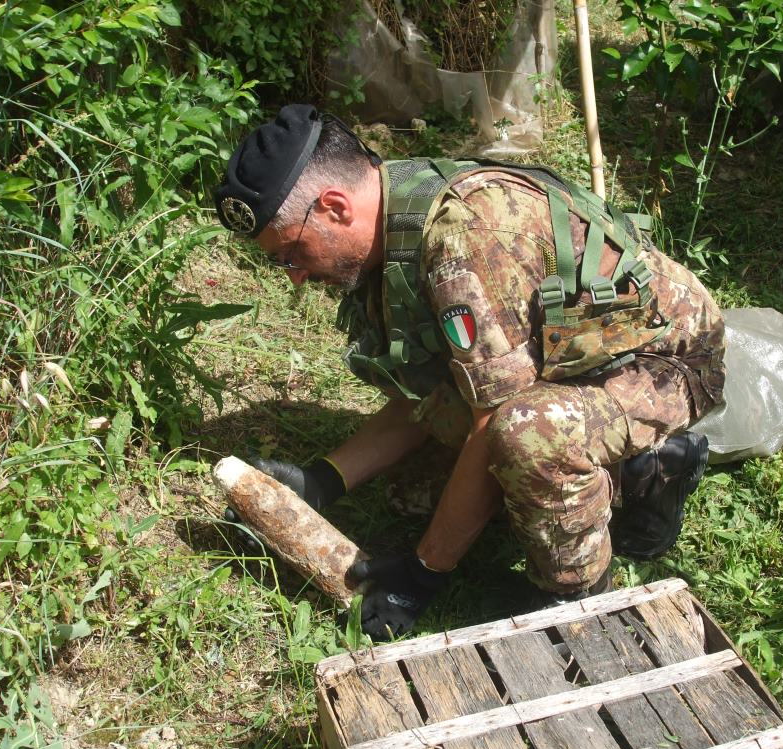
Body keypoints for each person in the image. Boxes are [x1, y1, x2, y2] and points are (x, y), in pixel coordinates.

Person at [214, 105, 726, 641]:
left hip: (665, 358)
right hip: (576, 353)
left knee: (528, 436)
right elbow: (439, 389)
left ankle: (578, 593)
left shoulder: (460, 238)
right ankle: (639, 472)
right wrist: (322, 479)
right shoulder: (395, 226)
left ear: (334, 207)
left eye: (292, 254)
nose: (295, 277)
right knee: (412, 492)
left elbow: (494, 418)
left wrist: (425, 570)